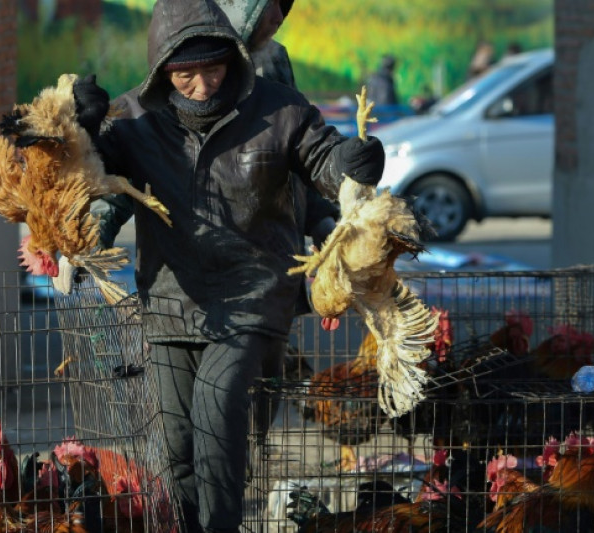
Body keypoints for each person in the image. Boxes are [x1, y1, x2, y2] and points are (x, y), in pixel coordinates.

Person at [62, 1, 386, 531]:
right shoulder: (134, 120)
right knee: (177, 448)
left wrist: (352, 166)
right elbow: (101, 188)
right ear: (161, 68)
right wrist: (85, 132)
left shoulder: (279, 110)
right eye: (185, 72)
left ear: (232, 58)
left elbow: (322, 160)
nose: (201, 84)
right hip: (170, 301)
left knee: (216, 409)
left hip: (253, 295)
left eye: (213, 68)